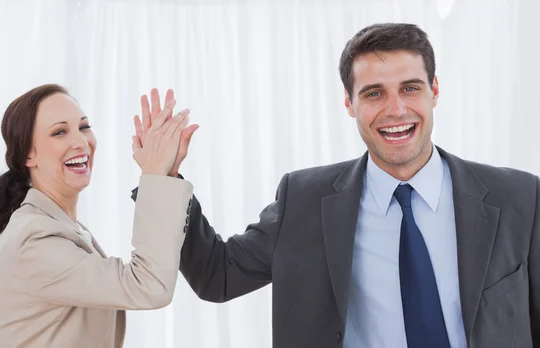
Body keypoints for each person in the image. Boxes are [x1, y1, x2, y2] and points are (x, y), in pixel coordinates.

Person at [136, 23, 539, 347]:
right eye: (374, 93)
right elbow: (217, 276)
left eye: (410, 88)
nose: (395, 109)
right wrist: (163, 181)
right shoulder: (305, 200)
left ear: (434, 91)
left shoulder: (519, 197)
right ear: (349, 103)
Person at [0, 84, 197, 348]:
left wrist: (165, 174)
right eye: (59, 132)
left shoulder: (59, 226)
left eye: (84, 127)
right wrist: (154, 177)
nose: (80, 142)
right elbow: (148, 285)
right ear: (29, 153)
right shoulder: (34, 239)